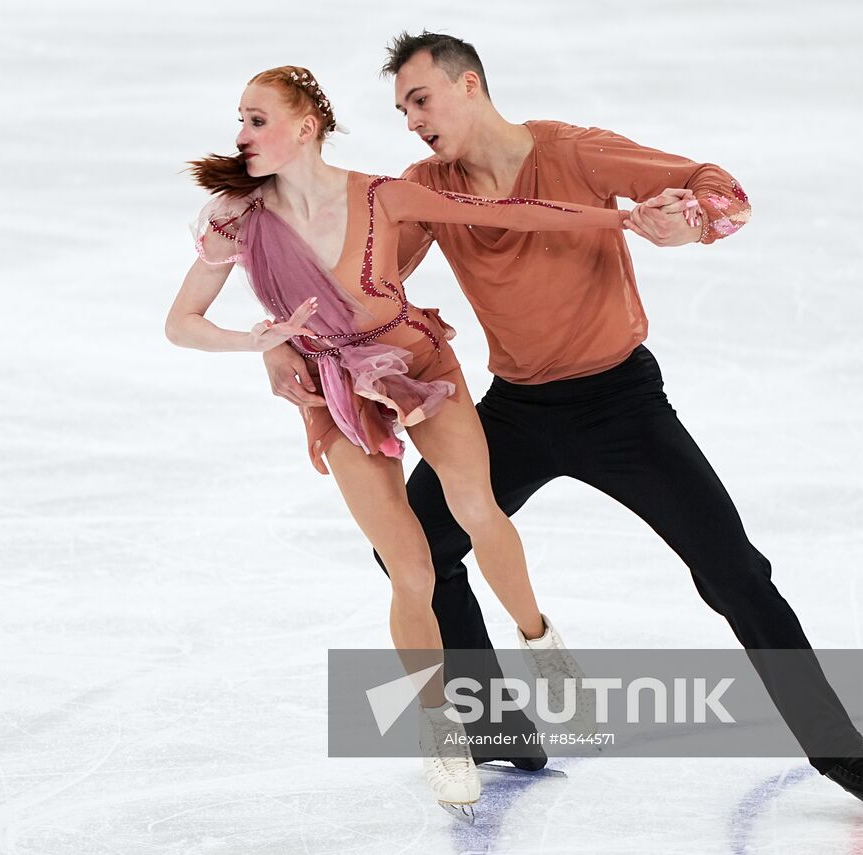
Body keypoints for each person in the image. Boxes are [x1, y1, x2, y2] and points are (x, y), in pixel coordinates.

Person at [260, 32, 863, 812]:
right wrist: (286, 346)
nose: (411, 121)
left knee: (734, 569)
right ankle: (493, 720)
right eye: (401, 109)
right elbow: (358, 283)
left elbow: (722, 189)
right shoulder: (427, 185)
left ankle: (835, 739)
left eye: (421, 99)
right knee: (418, 544)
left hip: (623, 406)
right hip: (519, 411)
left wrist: (691, 223)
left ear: (470, 86)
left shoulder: (576, 152)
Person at [165, 65, 636, 818]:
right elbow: (180, 322)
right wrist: (260, 342)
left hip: (419, 365)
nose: (242, 135)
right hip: (337, 390)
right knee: (410, 570)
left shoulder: (383, 195)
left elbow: (521, 215)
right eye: (240, 120)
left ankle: (540, 640)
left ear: (306, 125)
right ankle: (440, 728)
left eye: (257, 119)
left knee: (478, 509)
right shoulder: (236, 218)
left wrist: (622, 220)